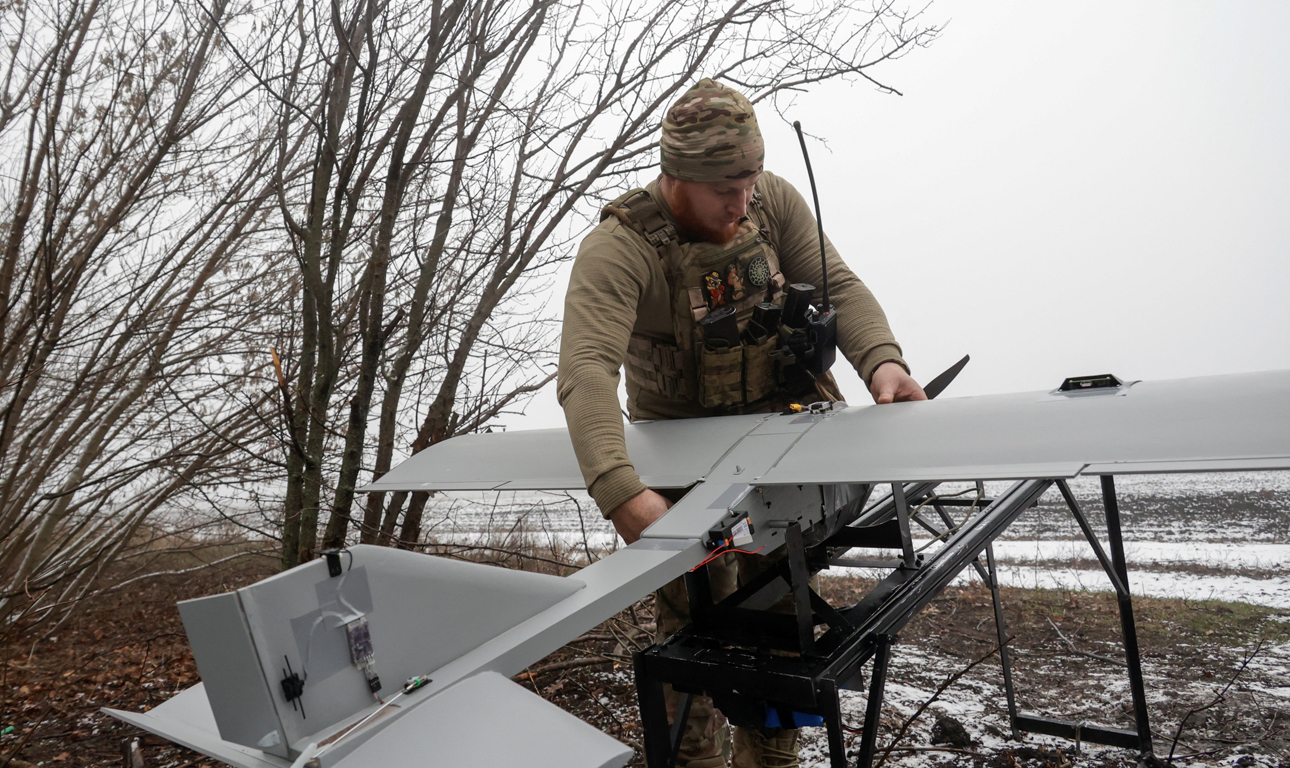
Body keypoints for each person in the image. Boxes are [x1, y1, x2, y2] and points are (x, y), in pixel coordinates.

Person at [557, 78, 926, 768]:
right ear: (678, 177)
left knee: (785, 630)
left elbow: (839, 284)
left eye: (750, 179)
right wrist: (620, 488)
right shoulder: (623, 249)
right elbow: (585, 370)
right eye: (727, 187)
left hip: (782, 454)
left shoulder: (773, 201)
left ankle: (774, 760)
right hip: (685, 477)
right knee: (694, 636)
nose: (743, 200)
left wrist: (882, 363)